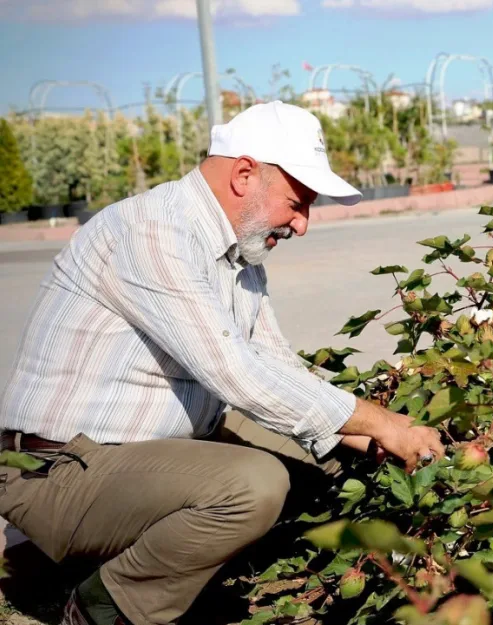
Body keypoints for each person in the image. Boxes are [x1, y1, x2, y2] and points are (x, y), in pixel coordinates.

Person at [0, 101, 444, 625]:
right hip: (59, 472)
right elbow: (236, 373)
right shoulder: (153, 231)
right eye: (297, 202)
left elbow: (278, 368)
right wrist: (380, 422)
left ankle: (212, 574)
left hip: (152, 455)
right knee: (251, 484)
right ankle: (104, 608)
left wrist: (380, 434)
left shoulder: (239, 256)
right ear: (243, 174)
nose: (302, 224)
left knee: (329, 454)